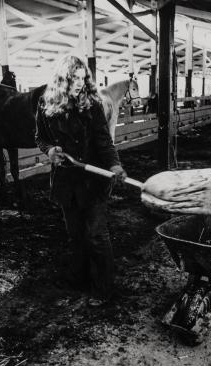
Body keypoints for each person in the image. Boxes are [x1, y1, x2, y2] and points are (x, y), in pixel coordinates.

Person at [35, 55, 127, 306]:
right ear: (62, 79)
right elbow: (40, 137)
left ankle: (104, 287)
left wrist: (115, 165)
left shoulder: (92, 104)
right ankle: (79, 278)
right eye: (73, 78)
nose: (79, 83)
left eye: (82, 78)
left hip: (93, 177)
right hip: (66, 180)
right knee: (75, 234)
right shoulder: (46, 104)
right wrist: (50, 151)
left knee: (96, 234)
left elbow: (103, 141)